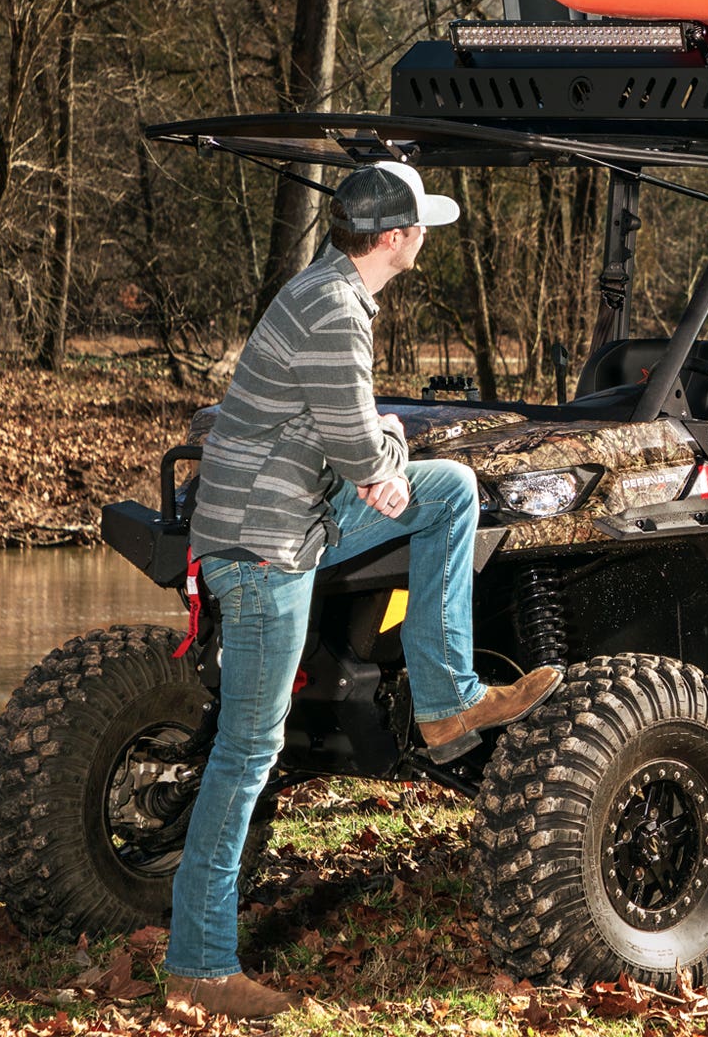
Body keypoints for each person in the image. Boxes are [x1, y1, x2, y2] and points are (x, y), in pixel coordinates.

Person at [164, 162, 562, 1019]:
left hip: (291, 510)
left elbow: (348, 425)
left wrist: (377, 458)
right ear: (395, 239)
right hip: (263, 545)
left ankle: (447, 702)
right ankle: (199, 962)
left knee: (449, 488)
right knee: (245, 756)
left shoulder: (326, 287)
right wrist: (375, 463)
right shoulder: (338, 309)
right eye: (422, 225)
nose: (426, 237)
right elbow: (353, 437)